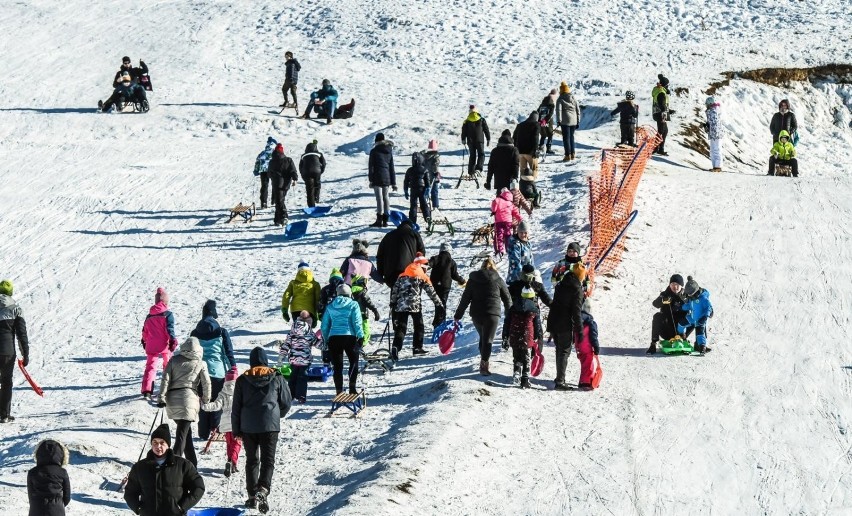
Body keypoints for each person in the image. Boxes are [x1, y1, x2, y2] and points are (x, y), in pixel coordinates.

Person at [232, 347, 292, 513]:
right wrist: (276, 415)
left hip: (248, 427)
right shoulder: (277, 377)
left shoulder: (243, 380)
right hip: (270, 426)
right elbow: (286, 402)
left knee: (252, 460)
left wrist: (236, 430)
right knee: (268, 460)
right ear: (266, 360)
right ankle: (263, 489)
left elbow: (236, 408)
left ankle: (252, 496)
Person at [124, 424, 205, 516]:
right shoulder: (140, 467)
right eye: (155, 442)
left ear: (168, 445)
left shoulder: (183, 465)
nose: (158, 446)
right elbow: (130, 492)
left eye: (162, 442)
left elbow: (198, 487)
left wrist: (182, 506)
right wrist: (138, 508)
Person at [158, 337, 211, 468]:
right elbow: (206, 384)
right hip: (189, 400)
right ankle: (172, 467)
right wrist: (205, 400)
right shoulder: (200, 363)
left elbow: (165, 379)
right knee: (182, 435)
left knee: (185, 435)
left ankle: (193, 465)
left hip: (172, 400)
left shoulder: (174, 360)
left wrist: (161, 397)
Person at [454, 257, 510, 375]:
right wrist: (509, 313)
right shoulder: (498, 279)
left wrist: (458, 315)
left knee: (483, 337)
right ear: (493, 267)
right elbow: (507, 298)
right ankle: (484, 365)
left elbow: (465, 299)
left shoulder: (473, 279)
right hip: (492, 313)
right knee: (488, 340)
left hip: (477, 314)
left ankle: (484, 359)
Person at [190, 299, 237, 440]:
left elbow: (191, 352)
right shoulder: (221, 332)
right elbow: (228, 352)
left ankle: (203, 432)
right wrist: (233, 368)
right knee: (217, 401)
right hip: (218, 373)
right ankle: (215, 430)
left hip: (200, 372)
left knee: (204, 401)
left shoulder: (195, 332)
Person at [389, 254, 443, 361]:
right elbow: (431, 292)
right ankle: (417, 348)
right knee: (419, 326)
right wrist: (439, 304)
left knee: (401, 327)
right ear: (422, 266)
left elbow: (395, 290)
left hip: (401, 305)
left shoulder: (402, 275)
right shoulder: (422, 276)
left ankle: (396, 347)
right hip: (415, 305)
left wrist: (392, 303)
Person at [320, 285, 364, 394]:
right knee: (353, 362)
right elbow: (357, 322)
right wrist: (360, 336)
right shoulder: (353, 304)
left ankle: (339, 390)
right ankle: (352, 388)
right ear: (349, 293)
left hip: (334, 338)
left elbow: (324, 326)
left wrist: (326, 339)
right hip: (350, 337)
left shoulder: (330, 306)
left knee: (337, 365)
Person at [547, 263, 585, 390]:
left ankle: (559, 377)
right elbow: (576, 311)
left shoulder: (561, 284)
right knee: (564, 351)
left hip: (553, 320)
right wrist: (579, 329)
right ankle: (560, 382)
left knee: (559, 349)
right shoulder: (577, 289)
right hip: (564, 323)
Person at [200, 366, 240, 477]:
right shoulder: (239, 391)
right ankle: (232, 462)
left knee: (229, 443)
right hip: (237, 423)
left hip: (225, 423)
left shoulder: (223, 392)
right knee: (236, 444)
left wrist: (204, 406)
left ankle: (229, 460)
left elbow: (216, 406)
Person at [140, 287, 177, 400]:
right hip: (164, 344)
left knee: (150, 367)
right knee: (168, 365)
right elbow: (169, 329)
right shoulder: (167, 314)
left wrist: (144, 341)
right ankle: (168, 387)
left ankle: (147, 391)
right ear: (165, 301)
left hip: (151, 344)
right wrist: (172, 340)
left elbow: (145, 331)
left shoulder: (149, 316)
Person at [0, 280, 28, 424]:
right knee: (6, 382)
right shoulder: (16, 309)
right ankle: (4, 415)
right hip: (7, 352)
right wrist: (25, 353)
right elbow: (21, 334)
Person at [279, 311, 317, 403]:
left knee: (293, 377)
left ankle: (290, 395)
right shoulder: (310, 333)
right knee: (302, 377)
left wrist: (281, 356)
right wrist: (324, 344)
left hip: (294, 359)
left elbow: (286, 345)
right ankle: (301, 396)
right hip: (305, 359)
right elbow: (318, 343)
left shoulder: (292, 333)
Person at [376, 219, 425, 288]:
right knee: (409, 295)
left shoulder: (388, 235)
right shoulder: (415, 235)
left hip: (391, 274)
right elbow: (421, 253)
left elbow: (380, 256)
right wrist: (421, 271)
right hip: (409, 272)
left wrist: (380, 274)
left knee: (395, 294)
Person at [27, 439, 71, 516]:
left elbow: (30, 495)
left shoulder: (32, 472)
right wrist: (58, 504)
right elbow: (67, 496)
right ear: (61, 455)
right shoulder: (62, 472)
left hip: (37, 510)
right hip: (57, 510)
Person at [428, 243, 466, 328]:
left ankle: (438, 321)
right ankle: (440, 322)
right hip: (445, 286)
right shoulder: (451, 261)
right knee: (442, 303)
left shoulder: (436, 258)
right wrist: (462, 281)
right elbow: (454, 275)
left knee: (438, 303)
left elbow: (428, 264)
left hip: (435, 285)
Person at [647, 274, 687, 354]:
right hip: (667, 330)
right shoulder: (665, 294)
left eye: (677, 285)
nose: (674, 287)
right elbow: (655, 304)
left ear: (681, 286)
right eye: (672, 284)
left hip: (681, 331)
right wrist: (662, 300)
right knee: (657, 316)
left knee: (697, 316)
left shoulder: (686, 295)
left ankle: (700, 344)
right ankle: (653, 344)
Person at [677, 276, 714, 354]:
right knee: (681, 323)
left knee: (700, 334)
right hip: (692, 317)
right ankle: (681, 336)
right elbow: (689, 305)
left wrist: (705, 317)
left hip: (700, 319)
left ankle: (702, 347)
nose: (689, 296)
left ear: (696, 292)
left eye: (690, 294)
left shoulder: (703, 298)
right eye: (688, 295)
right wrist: (681, 307)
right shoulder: (691, 298)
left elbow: (708, 308)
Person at [368, 132, 397, 227]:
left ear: (376, 141)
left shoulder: (374, 151)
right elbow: (391, 167)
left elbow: (371, 167)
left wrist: (371, 180)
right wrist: (393, 182)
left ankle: (379, 220)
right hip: (387, 177)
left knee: (379, 198)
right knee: (386, 197)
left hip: (377, 177)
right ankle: (386, 220)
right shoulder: (389, 151)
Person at [267, 143, 298, 226]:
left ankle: (284, 217)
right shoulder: (288, 160)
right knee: (280, 200)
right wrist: (295, 179)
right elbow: (293, 171)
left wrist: (273, 177)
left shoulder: (272, 161)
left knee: (279, 201)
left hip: (277, 183)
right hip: (286, 184)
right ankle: (277, 220)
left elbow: (269, 174)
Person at [461, 105, 491, 178]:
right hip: (480, 140)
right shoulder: (481, 119)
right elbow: (486, 129)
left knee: (472, 156)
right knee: (481, 154)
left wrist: (463, 139)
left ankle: (471, 172)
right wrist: (488, 138)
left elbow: (464, 131)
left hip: (470, 141)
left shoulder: (466, 121)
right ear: (476, 111)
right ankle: (478, 169)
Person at [403, 151, 432, 224]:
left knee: (413, 205)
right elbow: (427, 180)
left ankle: (412, 221)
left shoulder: (410, 170)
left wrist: (406, 190)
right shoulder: (424, 169)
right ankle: (427, 217)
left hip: (413, 189)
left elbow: (406, 181)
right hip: (422, 189)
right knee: (424, 204)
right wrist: (428, 187)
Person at [491, 188, 523, 255]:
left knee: (499, 236)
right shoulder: (511, 203)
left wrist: (494, 211)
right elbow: (516, 213)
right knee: (507, 235)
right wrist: (520, 219)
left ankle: (500, 250)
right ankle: (508, 249)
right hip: (508, 222)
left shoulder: (498, 200)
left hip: (499, 222)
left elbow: (494, 203)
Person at [575, 305, 600, 390]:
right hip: (587, 347)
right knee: (588, 365)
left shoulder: (578, 321)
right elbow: (594, 336)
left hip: (579, 347)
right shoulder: (591, 323)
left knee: (584, 364)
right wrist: (596, 346)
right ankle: (585, 382)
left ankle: (584, 380)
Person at [351, 275, 381, 343]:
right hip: (362, 315)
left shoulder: (349, 292)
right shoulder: (362, 292)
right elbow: (368, 302)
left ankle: (354, 345)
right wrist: (375, 311)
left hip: (352, 316)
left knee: (354, 330)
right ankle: (361, 345)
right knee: (365, 331)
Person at [556, 82, 581, 161]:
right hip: (574, 121)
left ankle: (567, 155)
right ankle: (573, 154)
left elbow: (558, 110)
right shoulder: (573, 98)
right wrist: (578, 121)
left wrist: (559, 120)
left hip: (565, 121)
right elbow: (578, 110)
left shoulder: (560, 99)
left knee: (566, 138)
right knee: (571, 137)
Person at [513, 112, 541, 181]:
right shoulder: (536, 124)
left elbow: (514, 138)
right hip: (531, 152)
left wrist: (516, 149)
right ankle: (532, 184)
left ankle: (523, 185)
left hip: (520, 152)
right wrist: (536, 149)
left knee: (523, 171)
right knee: (534, 169)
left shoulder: (520, 125)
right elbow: (535, 138)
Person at [299, 140, 326, 208]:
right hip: (317, 171)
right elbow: (324, 163)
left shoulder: (303, 155)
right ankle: (316, 198)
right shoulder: (319, 154)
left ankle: (311, 206)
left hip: (306, 172)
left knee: (309, 189)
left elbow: (300, 166)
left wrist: (302, 174)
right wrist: (321, 171)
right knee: (317, 184)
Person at [254, 137, 278, 209]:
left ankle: (263, 203)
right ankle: (274, 200)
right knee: (275, 185)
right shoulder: (275, 153)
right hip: (273, 171)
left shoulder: (263, 152)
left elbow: (257, 161)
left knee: (264, 186)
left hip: (263, 171)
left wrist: (256, 170)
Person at [652, 74, 672, 156]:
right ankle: (657, 148)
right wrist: (666, 111)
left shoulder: (659, 90)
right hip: (661, 114)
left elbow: (661, 104)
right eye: (667, 85)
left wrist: (668, 111)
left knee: (663, 131)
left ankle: (658, 148)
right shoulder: (661, 93)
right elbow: (661, 104)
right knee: (661, 131)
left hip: (657, 113)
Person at [705, 96, 724, 172]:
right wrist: (707, 125)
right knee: (713, 150)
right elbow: (712, 122)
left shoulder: (714, 110)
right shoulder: (711, 110)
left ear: (710, 103)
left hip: (716, 133)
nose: (706, 105)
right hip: (713, 133)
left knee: (716, 149)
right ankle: (715, 166)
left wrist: (709, 127)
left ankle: (718, 166)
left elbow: (715, 123)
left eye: (707, 104)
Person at [537, 89, 557, 154]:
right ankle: (548, 148)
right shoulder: (552, 104)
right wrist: (546, 120)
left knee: (543, 135)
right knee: (550, 134)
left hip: (540, 121)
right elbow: (550, 114)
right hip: (547, 121)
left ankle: (540, 147)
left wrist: (540, 120)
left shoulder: (542, 104)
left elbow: (538, 112)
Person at [423, 140, 441, 210]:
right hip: (433, 176)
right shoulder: (435, 156)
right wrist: (436, 172)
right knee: (434, 191)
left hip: (425, 176)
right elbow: (435, 166)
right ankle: (435, 205)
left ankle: (423, 203)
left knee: (425, 191)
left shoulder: (424, 156)